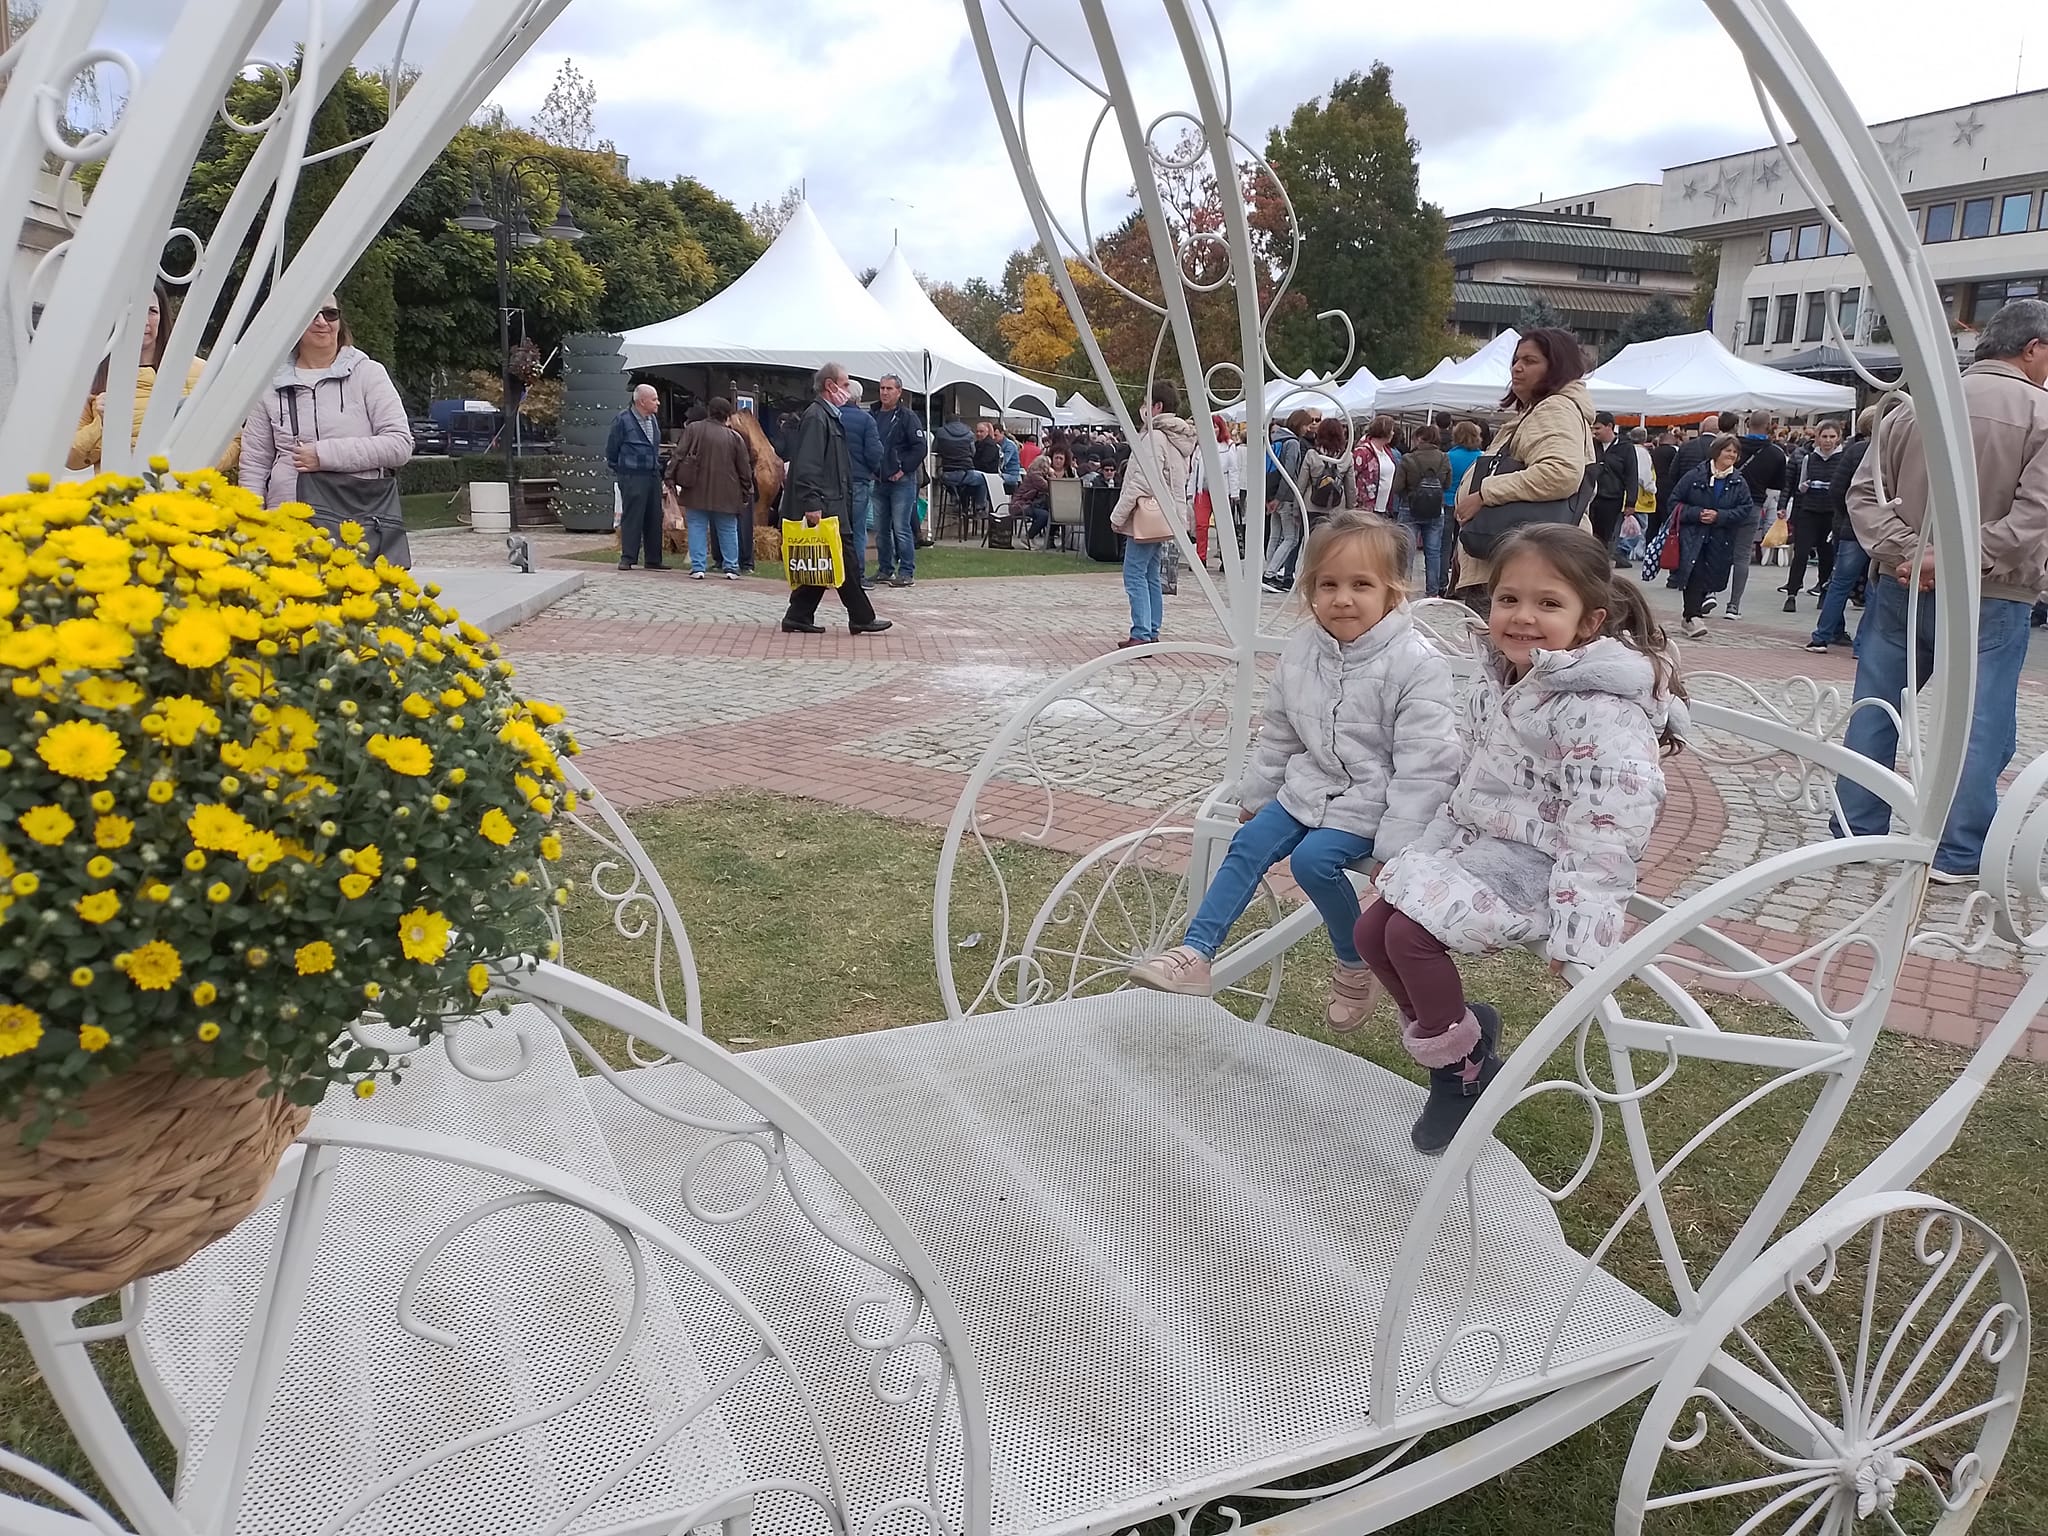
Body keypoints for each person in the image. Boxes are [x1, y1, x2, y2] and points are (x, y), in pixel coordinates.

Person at [1364, 523, 1686, 1152]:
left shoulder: (1602, 708)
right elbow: (1471, 786)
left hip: (1544, 869)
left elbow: (1609, 830)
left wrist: (1580, 934)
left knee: (1407, 935)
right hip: (1484, 848)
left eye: (1548, 603)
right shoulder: (1505, 679)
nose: (1523, 617)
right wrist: (1422, 853)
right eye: (1509, 599)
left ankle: (1460, 1073)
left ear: (1589, 621)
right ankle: (1464, 1039)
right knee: (1371, 930)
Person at [1127, 512, 1460, 1028]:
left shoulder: (1416, 663)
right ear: (1310, 589)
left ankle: (1355, 963)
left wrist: (1400, 848)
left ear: (1394, 592)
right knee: (1249, 843)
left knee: (1312, 861)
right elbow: (1281, 731)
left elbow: (1426, 765)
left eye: (1361, 585)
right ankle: (1196, 952)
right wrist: (1258, 794)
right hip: (1308, 787)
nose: (1342, 599)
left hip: (1372, 801)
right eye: (1328, 585)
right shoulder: (1305, 649)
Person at [1835, 298, 2048, 883]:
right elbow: (2036, 516)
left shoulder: (1916, 405)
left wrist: (1913, 554)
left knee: (1876, 707)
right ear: (2033, 348)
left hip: (1902, 586)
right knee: (1978, 721)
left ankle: (1856, 827)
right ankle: (1958, 850)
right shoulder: (2040, 413)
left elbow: (1864, 496)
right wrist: (1949, 560)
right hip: (1992, 592)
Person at [241, 292, 414, 562]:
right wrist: (251, 522)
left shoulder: (368, 373)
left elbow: (400, 445)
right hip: (286, 528)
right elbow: (254, 464)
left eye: (331, 314)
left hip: (356, 524)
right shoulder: (270, 384)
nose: (322, 322)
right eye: (313, 314)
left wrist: (324, 455)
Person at [1449, 327, 1595, 616]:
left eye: (1530, 361)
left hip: (1520, 566)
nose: (1517, 368)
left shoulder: (1554, 409)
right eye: (1516, 360)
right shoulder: (1543, 409)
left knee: (1507, 641)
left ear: (1557, 366)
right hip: (1518, 561)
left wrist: (1485, 494)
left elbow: (1561, 472)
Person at [781, 362, 894, 637]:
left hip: (832, 500)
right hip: (825, 503)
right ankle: (861, 617)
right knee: (843, 561)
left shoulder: (828, 416)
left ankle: (798, 615)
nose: (848, 390)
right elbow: (808, 464)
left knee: (827, 560)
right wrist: (812, 503)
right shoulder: (817, 418)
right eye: (844, 384)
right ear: (830, 386)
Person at [71, 279, 210, 473]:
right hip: (117, 488)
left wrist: (192, 466)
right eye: (135, 310)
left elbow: (232, 441)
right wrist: (100, 424)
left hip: (181, 488)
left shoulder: (197, 370)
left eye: (152, 311)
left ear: (162, 316)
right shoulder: (95, 375)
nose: (144, 321)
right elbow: (71, 458)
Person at [1110, 379, 1197, 648]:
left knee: (1134, 573)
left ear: (1157, 406)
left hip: (1148, 514)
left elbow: (1144, 480)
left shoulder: (1154, 437)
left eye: (1146, 403)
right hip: (1167, 514)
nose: (1143, 408)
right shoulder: (1177, 439)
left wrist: (1118, 514)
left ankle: (1141, 631)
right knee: (1150, 573)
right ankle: (1151, 628)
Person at [1805, 404, 1884, 652]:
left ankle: (1822, 636)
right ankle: (1863, 644)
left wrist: (1848, 513)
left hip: (1853, 525)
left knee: (1840, 583)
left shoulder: (1854, 451)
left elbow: (1837, 488)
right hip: (1882, 527)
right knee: (1874, 586)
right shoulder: (1891, 449)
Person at [1670, 435, 1755, 639]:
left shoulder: (1738, 482)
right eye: (1728, 450)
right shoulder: (1695, 476)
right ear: (1717, 452)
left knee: (1710, 576)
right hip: (1693, 535)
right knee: (1694, 573)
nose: (1731, 455)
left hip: (1720, 537)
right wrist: (1697, 514)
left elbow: (1745, 508)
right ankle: (1691, 616)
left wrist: (1720, 516)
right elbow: (1674, 502)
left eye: (1735, 452)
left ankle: (1694, 613)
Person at [670, 396, 755, 580]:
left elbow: (678, 454)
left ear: (709, 411)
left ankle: (698, 567)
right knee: (728, 529)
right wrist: (746, 490)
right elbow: (744, 469)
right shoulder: (734, 438)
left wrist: (669, 476)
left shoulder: (693, 429)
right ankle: (731, 567)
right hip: (727, 492)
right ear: (727, 415)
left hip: (695, 488)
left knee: (697, 527)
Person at [1649, 411, 1735, 580]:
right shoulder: (1721, 449)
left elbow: (1673, 473)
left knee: (1681, 537)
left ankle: (1676, 574)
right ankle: (1702, 575)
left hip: (1687, 499)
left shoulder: (1687, 447)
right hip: (1715, 500)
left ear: (1702, 428)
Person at [1722, 409, 1787, 619]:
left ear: (1748, 424)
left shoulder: (1733, 446)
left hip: (1725, 502)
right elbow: (1777, 485)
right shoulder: (1776, 453)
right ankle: (1733, 605)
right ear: (1769, 426)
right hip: (1753, 505)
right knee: (1742, 556)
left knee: (1717, 549)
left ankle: (1708, 594)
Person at [603, 383, 668, 571]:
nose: (658, 403)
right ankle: (628, 557)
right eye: (654, 399)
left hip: (652, 474)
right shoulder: (623, 420)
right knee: (633, 516)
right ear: (642, 401)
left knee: (654, 516)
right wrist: (622, 470)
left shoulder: (652, 420)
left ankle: (653, 559)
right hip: (632, 475)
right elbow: (612, 448)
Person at [871, 374, 926, 590]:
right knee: (881, 528)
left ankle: (906, 572)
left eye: (889, 388)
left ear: (899, 392)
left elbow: (920, 447)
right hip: (879, 480)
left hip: (902, 481)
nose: (885, 392)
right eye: (882, 388)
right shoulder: (874, 414)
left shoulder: (907, 417)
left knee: (901, 527)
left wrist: (903, 469)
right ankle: (885, 569)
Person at [1783, 418, 1843, 611]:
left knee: (1827, 555)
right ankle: (1792, 593)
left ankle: (1824, 591)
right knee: (1801, 553)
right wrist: (1806, 486)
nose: (1828, 441)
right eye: (1824, 436)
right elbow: (1800, 485)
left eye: (1832, 436)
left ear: (1838, 438)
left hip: (1831, 512)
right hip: (1809, 510)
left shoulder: (1842, 459)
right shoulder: (1809, 458)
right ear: (1817, 437)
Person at [1390, 421, 1451, 599]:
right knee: (1433, 552)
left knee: (1407, 552)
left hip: (1409, 507)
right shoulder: (1444, 458)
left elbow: (1397, 486)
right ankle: (1432, 592)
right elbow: (1447, 484)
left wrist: (1409, 494)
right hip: (1435, 509)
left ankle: (1404, 591)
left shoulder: (1408, 458)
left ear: (1419, 438)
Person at [837, 378, 883, 585]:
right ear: (859, 398)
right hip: (858, 479)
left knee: (835, 528)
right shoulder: (866, 420)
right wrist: (872, 470)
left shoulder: (831, 416)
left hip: (833, 481)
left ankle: (834, 571)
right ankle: (856, 575)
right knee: (857, 529)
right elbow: (874, 452)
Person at [1260, 410, 1312, 590]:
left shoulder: (1275, 440)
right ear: (1299, 424)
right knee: (1291, 538)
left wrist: (1269, 497)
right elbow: (1289, 472)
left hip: (1271, 492)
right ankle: (1270, 574)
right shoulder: (1293, 443)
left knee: (1275, 535)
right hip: (1286, 496)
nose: (1307, 429)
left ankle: (1268, 571)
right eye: (1306, 425)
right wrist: (1280, 497)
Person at [1587, 410, 1638, 558]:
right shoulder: (1592, 445)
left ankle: (1602, 560)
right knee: (1589, 532)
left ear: (1609, 426)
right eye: (1593, 429)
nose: (1594, 432)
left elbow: (1631, 475)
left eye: (1598, 428)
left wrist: (1630, 502)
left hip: (1612, 498)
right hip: (1590, 496)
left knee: (1606, 535)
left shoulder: (1626, 448)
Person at [934, 414, 991, 526]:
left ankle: (955, 495)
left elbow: (934, 449)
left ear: (946, 422)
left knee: (947, 479)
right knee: (984, 478)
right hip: (966, 473)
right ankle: (979, 508)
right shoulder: (969, 433)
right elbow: (973, 452)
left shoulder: (940, 432)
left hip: (947, 474)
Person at [1299, 417, 1356, 523]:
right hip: (1337, 507)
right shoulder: (1347, 456)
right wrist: (1351, 509)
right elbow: (1351, 487)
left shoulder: (1312, 454)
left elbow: (1301, 483)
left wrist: (1296, 509)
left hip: (1312, 505)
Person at [1011, 445, 1068, 548]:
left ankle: (1046, 538)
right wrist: (1052, 474)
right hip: (1020, 505)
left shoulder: (1035, 474)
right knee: (1045, 515)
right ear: (1044, 466)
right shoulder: (1035, 476)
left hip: (1027, 503)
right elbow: (1049, 488)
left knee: (1051, 512)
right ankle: (1028, 537)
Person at [1350, 415, 1398, 516]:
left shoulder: (1387, 451)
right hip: (1365, 508)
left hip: (1384, 507)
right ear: (1384, 431)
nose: (1393, 433)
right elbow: (1352, 477)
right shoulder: (1362, 452)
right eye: (1391, 430)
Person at [996, 422, 1022, 497]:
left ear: (1002, 433)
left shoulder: (1009, 445)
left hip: (1011, 475)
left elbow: (1004, 461)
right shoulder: (998, 444)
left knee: (993, 479)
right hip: (1005, 473)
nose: (994, 438)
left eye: (996, 435)